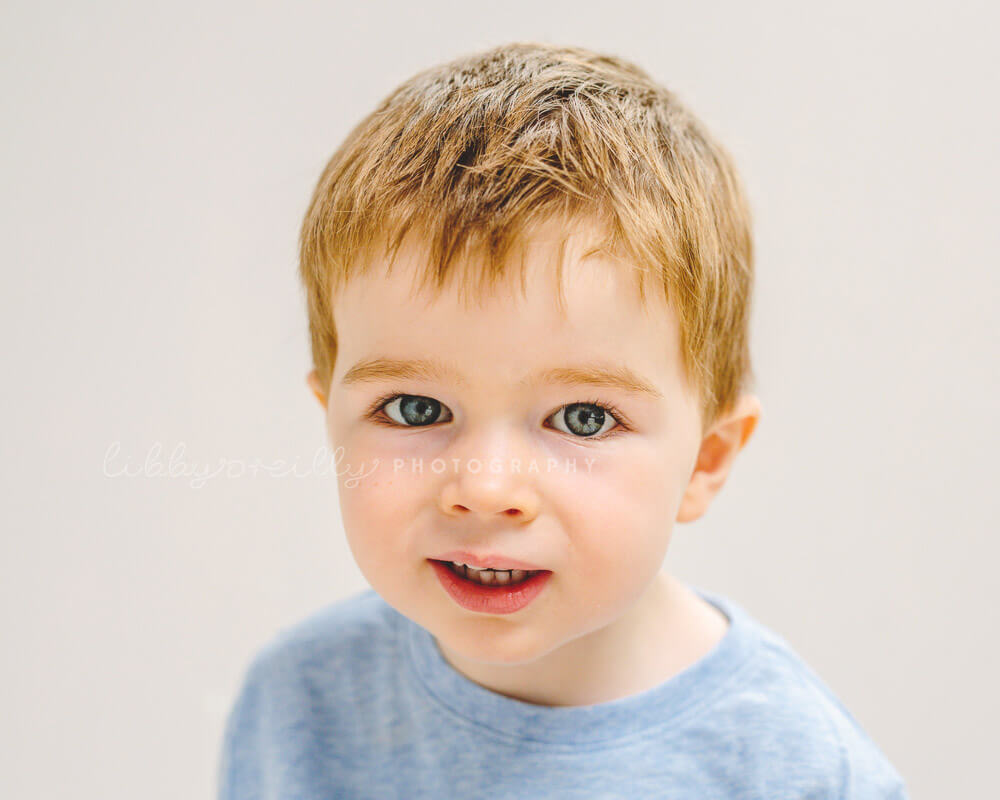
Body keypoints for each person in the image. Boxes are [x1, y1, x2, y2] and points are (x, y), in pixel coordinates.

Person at [217, 41, 910, 798]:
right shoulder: (300, 705)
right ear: (332, 424)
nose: (484, 489)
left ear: (706, 460)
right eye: (416, 410)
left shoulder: (791, 769)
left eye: (582, 418)